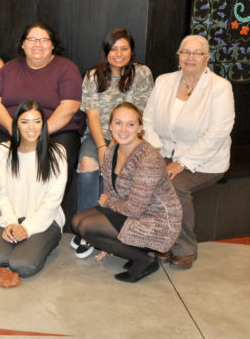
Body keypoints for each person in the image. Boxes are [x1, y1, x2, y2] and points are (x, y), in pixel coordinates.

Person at [143, 35, 235, 269]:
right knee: (147, 175)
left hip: (205, 161)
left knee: (174, 185)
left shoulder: (220, 88)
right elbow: (148, 120)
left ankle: (184, 248)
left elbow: (218, 133)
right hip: (163, 151)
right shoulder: (164, 81)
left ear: (207, 58)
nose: (190, 58)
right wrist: (156, 154)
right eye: (185, 52)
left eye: (197, 53)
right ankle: (161, 241)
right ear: (179, 56)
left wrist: (181, 163)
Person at [72, 103, 182, 283]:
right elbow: (110, 193)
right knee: (77, 222)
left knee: (87, 227)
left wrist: (107, 204)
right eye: (118, 123)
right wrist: (107, 238)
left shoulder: (148, 159)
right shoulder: (111, 153)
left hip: (157, 220)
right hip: (130, 209)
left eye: (130, 124)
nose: (123, 129)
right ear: (110, 126)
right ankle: (133, 249)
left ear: (140, 128)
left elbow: (134, 210)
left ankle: (144, 260)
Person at [71, 29, 154, 258]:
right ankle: (84, 228)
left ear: (132, 51)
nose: (118, 54)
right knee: (88, 167)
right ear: (106, 51)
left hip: (129, 138)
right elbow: (93, 116)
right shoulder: (92, 76)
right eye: (113, 49)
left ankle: (106, 226)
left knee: (116, 171)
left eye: (124, 48)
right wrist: (101, 147)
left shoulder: (142, 74)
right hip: (97, 136)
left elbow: (137, 114)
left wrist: (116, 148)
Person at [0, 21, 84, 184]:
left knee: (58, 158)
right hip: (11, 129)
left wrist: (39, 132)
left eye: (44, 40)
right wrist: (14, 128)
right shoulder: (9, 68)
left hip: (56, 132)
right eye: (32, 39)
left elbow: (69, 107)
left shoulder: (67, 68)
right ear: (23, 45)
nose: (37, 44)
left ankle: (46, 208)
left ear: (53, 45)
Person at [0, 101, 66, 278]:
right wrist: (11, 222)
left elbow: (53, 200)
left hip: (46, 219)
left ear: (43, 124)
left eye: (37, 121)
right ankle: (23, 240)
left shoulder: (57, 152)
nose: (31, 127)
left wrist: (27, 228)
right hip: (13, 215)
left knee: (23, 265)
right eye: (24, 121)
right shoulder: (4, 150)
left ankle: (44, 241)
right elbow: (2, 193)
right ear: (16, 124)